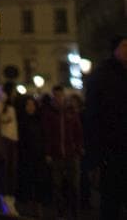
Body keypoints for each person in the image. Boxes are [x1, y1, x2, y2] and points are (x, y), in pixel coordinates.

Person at [85, 31, 127, 219]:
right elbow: (93, 119)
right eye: (125, 46)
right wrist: (95, 158)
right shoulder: (103, 77)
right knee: (111, 202)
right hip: (111, 153)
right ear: (115, 50)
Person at [41, 84, 83, 220]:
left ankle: (74, 212)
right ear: (54, 96)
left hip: (71, 153)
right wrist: (48, 153)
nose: (58, 98)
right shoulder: (49, 113)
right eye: (56, 95)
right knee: (57, 185)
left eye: (60, 95)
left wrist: (78, 147)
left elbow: (78, 131)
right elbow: (47, 134)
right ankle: (60, 212)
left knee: (74, 186)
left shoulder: (71, 111)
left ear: (63, 96)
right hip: (56, 154)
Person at [0, 81, 20, 215]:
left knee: (12, 171)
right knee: (4, 170)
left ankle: (11, 202)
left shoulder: (11, 106)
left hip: (13, 140)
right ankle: (4, 202)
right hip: (5, 140)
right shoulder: (1, 104)